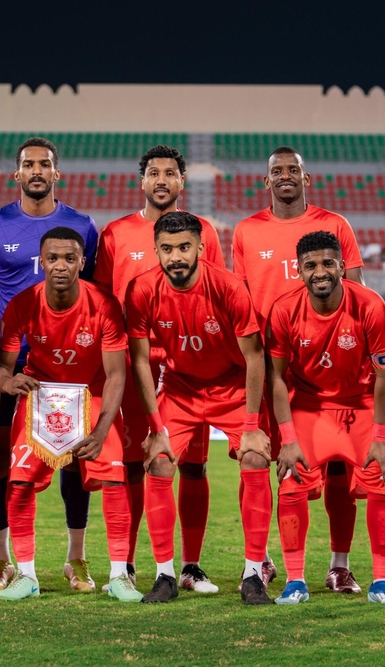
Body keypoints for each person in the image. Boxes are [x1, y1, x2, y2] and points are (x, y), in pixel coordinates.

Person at [232, 145, 366, 594]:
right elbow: (241, 301)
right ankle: (262, 559)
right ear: (265, 181)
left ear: (307, 179)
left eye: (294, 170)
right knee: (258, 461)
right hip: (268, 366)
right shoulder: (247, 231)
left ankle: (339, 564)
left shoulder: (335, 226)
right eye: (277, 171)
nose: (286, 176)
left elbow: (358, 294)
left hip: (326, 371)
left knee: (337, 470)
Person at [0, 137, 100, 593]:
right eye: (29, 164)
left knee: (72, 461)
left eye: (45, 164)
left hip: (67, 366)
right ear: (17, 173)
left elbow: (94, 294)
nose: (37, 170)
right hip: (12, 365)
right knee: (3, 461)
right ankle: (2, 558)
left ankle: (75, 559)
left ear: (57, 173)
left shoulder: (81, 226)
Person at [95, 144, 226, 593]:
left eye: (171, 173)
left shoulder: (204, 230)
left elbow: (217, 297)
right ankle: (127, 565)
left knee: (192, 467)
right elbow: (103, 303)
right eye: (154, 173)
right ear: (142, 181)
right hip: (132, 370)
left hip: (188, 371)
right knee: (136, 465)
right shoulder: (115, 234)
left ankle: (189, 567)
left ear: (182, 182)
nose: (162, 180)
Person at [125, 212, 274, 605]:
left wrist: (253, 424)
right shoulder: (141, 289)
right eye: (167, 249)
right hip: (181, 388)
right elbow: (140, 360)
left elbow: (255, 357)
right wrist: (155, 425)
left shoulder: (228, 287)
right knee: (158, 460)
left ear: (201, 248)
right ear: (155, 250)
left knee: (256, 459)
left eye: (185, 247)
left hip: (232, 386)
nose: (176, 256)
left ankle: (254, 573)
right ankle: (165, 575)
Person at [0, 227, 141, 602]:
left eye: (69, 258)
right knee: (21, 481)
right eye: (53, 259)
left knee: (113, 480)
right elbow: (1, 369)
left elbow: (117, 374)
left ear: (82, 262)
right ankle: (26, 575)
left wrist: (103, 428)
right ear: (41, 262)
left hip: (91, 397)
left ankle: (121, 575)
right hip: (41, 397)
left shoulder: (105, 305)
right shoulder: (22, 304)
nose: (61, 266)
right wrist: (9, 384)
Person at [268, 231, 385, 606]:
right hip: (309, 407)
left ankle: (382, 583)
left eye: (328, 263)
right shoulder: (284, 310)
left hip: (360, 405)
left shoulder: (372, 306)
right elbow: (276, 379)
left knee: (384, 477)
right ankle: (295, 581)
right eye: (310, 265)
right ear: (299, 271)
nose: (320, 271)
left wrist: (380, 435)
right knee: (291, 481)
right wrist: (288, 439)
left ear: (343, 266)